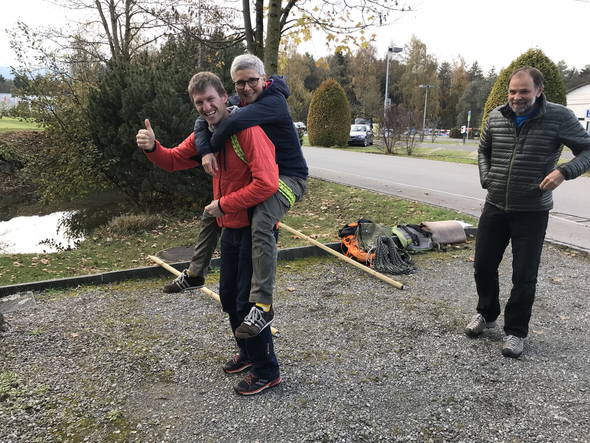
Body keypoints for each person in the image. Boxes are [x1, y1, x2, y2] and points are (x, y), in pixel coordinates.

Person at [136, 72, 282, 395]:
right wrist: (152, 147)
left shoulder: (247, 130)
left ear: (223, 97)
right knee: (229, 297)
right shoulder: (208, 134)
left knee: (247, 302)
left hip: (255, 229)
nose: (205, 107)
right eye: (199, 102)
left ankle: (267, 370)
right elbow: (173, 160)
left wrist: (224, 203)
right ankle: (247, 353)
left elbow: (267, 183)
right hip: (229, 225)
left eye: (210, 99)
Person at [163, 53, 308, 340]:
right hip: (268, 175)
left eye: (252, 81)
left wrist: (209, 145)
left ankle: (263, 305)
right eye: (240, 83)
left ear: (264, 79)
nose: (246, 88)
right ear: (233, 85)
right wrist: (204, 149)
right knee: (211, 212)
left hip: (289, 177)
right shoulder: (240, 103)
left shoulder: (273, 103)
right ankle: (195, 274)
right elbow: (201, 122)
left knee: (262, 221)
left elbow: (225, 124)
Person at [464, 66, 590, 358]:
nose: (516, 97)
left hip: (532, 210)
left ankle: (516, 332)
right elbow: (484, 151)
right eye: (512, 91)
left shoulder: (559, 117)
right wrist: (487, 177)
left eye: (524, 91)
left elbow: (587, 150)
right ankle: (487, 314)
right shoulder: (496, 116)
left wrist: (564, 171)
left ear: (539, 90)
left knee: (524, 275)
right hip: (495, 205)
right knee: (483, 265)